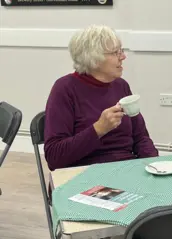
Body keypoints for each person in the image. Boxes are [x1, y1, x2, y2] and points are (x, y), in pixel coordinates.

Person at [44, 25, 158, 171]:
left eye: (121, 51)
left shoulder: (121, 86)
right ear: (94, 59)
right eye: (115, 53)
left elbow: (141, 138)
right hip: (83, 174)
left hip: (124, 170)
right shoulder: (64, 89)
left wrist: (154, 167)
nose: (123, 57)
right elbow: (55, 158)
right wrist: (99, 129)